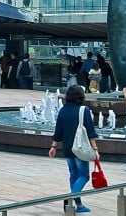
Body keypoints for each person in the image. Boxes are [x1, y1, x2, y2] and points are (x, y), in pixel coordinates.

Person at [48, 85, 99, 214]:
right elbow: (91, 132)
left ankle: (79, 205)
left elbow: (58, 131)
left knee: (74, 175)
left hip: (67, 148)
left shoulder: (63, 110)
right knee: (84, 175)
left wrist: (54, 146)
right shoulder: (84, 110)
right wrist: (95, 149)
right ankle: (70, 197)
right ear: (81, 97)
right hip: (80, 149)